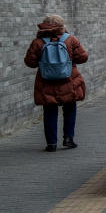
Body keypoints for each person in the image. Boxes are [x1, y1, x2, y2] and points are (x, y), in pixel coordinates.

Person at [23, 14, 88, 152]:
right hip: (69, 80)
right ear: (62, 26)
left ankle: (51, 143)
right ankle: (68, 139)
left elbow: (30, 62)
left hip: (46, 82)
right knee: (70, 109)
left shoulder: (38, 42)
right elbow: (83, 57)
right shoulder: (70, 40)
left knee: (49, 111)